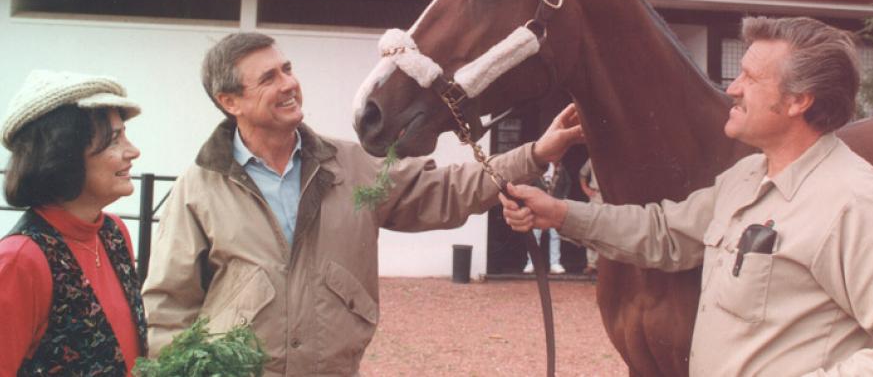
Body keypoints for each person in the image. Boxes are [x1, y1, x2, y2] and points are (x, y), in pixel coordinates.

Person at [501, 17, 873, 375]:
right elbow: (666, 232)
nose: (732, 88)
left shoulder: (855, 201)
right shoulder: (746, 177)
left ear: (799, 101)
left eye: (750, 78)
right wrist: (560, 214)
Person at [141, 32, 582, 376]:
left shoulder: (350, 166)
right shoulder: (200, 187)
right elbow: (169, 306)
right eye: (268, 78)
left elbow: (447, 189)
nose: (289, 84)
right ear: (230, 101)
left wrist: (536, 154)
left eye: (287, 69)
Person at [0, 70, 147, 376]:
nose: (133, 151)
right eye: (114, 140)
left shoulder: (114, 234)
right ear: (63, 155)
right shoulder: (20, 260)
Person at [523, 161, 570, 275]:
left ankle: (555, 263)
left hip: (555, 207)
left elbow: (568, 183)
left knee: (555, 236)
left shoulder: (561, 170)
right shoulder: (535, 171)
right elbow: (529, 185)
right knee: (535, 236)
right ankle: (531, 263)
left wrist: (563, 197)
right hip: (537, 208)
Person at [577, 159, 601, 275]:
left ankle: (608, 265)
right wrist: (585, 189)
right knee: (593, 228)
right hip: (597, 195)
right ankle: (591, 264)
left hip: (612, 196)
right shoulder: (593, 158)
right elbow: (582, 173)